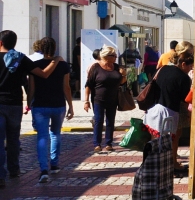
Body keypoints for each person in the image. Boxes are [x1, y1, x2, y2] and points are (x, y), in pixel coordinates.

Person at [0, 31, 63, 188]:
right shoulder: (20, 58)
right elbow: (42, 74)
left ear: (0, 42)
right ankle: (14, 170)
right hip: (14, 104)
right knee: (13, 139)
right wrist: (55, 61)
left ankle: (0, 176)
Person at [27, 38, 74, 183]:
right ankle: (54, 164)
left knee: (42, 136)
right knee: (55, 134)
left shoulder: (35, 65)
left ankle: (43, 169)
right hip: (58, 104)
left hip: (40, 105)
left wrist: (29, 103)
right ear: (54, 48)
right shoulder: (63, 65)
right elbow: (66, 87)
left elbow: (31, 88)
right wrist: (71, 105)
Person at [143, 43, 195, 166]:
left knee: (155, 139)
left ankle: (152, 162)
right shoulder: (183, 77)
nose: (190, 69)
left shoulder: (163, 69)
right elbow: (186, 98)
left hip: (153, 109)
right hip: (169, 112)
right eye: (190, 66)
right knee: (171, 139)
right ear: (183, 64)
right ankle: (171, 163)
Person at [83, 45, 127, 152]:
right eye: (113, 55)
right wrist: (86, 101)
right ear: (106, 56)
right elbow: (88, 85)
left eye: (116, 55)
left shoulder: (117, 67)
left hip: (113, 99)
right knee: (98, 121)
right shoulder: (95, 68)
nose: (116, 57)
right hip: (98, 99)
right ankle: (97, 144)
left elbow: (121, 83)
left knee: (110, 121)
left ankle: (108, 143)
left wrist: (124, 75)